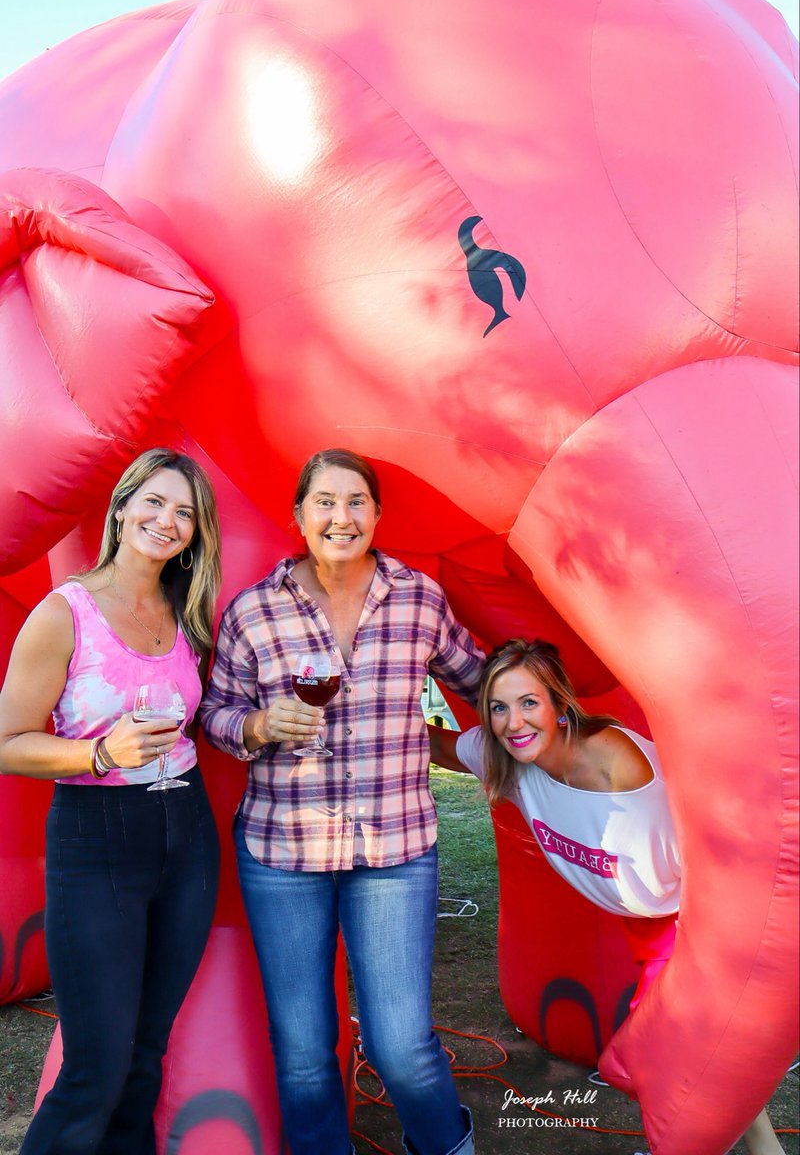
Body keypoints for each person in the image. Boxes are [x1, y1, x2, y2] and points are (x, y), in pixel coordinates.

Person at [200, 447, 484, 1155]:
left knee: (402, 1047)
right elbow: (214, 713)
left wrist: (546, 709)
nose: (341, 517)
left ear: (377, 515)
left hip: (395, 849)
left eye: (356, 501)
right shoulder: (253, 611)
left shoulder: (418, 598)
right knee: (302, 1052)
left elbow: (479, 680)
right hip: (282, 853)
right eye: (324, 502)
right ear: (299, 517)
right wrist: (257, 725)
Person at [429, 637, 784, 1155]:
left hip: (699, 924)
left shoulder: (617, 761)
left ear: (559, 704)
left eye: (529, 703)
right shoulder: (503, 756)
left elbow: (722, 823)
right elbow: (439, 747)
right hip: (647, 928)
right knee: (698, 1063)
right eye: (499, 708)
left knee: (667, 1059)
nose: (514, 722)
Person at [0, 448, 222, 1155]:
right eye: (154, 502)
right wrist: (100, 753)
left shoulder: (187, 609)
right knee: (94, 1070)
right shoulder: (63, 613)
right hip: (95, 841)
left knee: (146, 1054)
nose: (167, 521)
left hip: (186, 835)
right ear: (122, 508)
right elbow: (7, 741)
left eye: (185, 512)